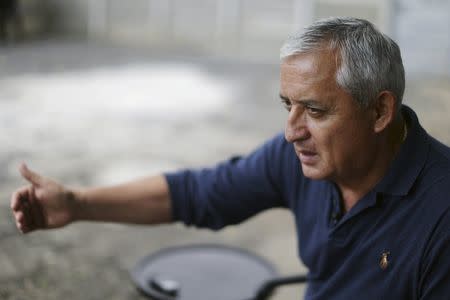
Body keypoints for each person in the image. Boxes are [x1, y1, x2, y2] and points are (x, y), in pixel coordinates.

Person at [10, 17, 450, 299]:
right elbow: (200, 193)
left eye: (315, 110)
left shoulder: (441, 217)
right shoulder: (300, 157)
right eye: (287, 105)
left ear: (379, 111)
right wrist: (79, 203)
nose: (291, 131)